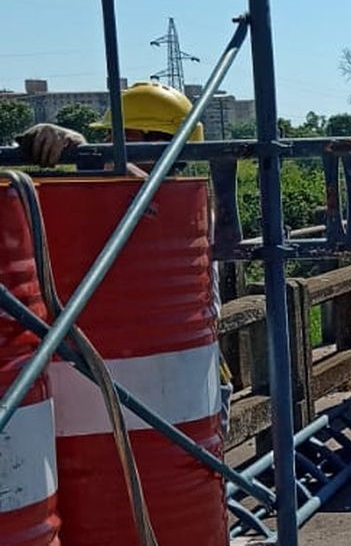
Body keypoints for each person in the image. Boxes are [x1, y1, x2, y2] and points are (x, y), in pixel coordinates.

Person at [15, 80, 233, 438]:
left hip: (184, 380)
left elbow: (151, 204)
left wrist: (87, 152)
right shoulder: (102, 197)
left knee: (188, 483)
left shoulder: (194, 207)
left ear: (161, 142)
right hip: (102, 376)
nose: (113, 148)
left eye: (122, 138)